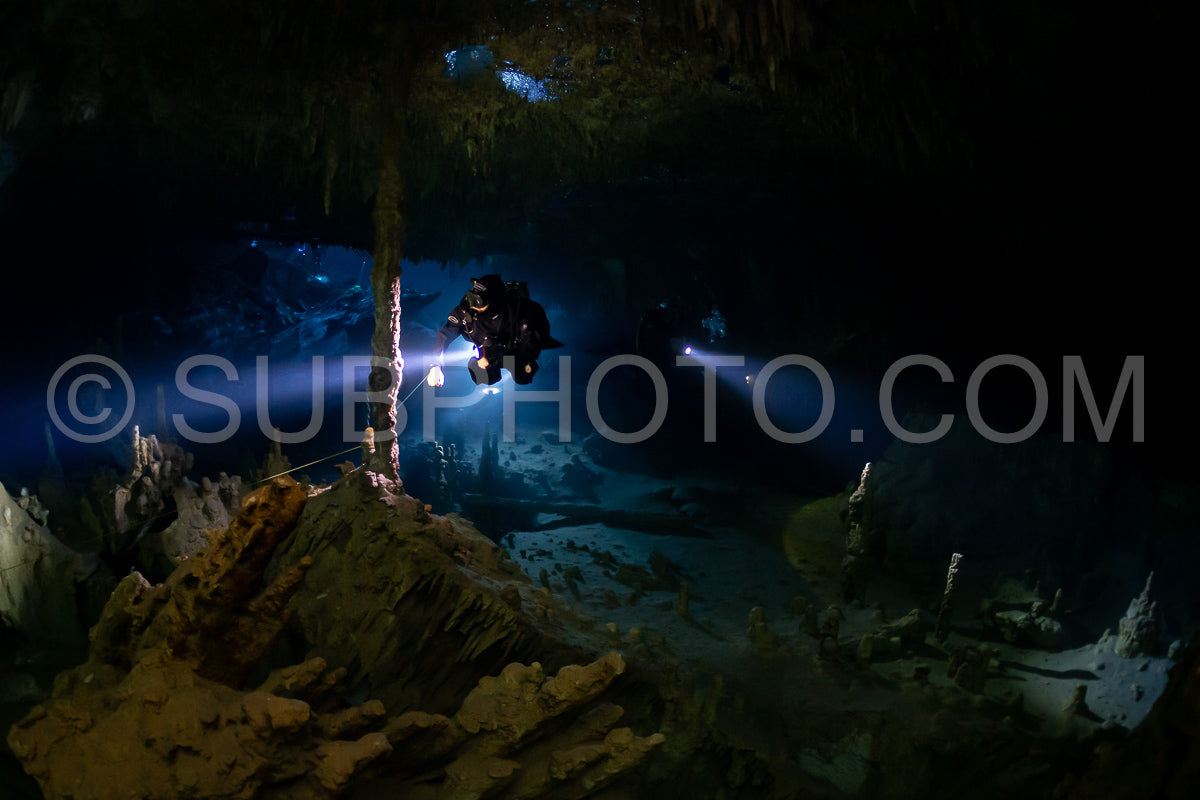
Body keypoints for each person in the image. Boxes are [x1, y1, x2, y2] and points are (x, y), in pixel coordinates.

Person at [427, 274, 562, 387]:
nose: (472, 304)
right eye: (471, 296)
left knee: (523, 377)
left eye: (478, 300)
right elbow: (445, 334)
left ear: (494, 302)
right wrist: (435, 365)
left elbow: (531, 346)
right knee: (481, 377)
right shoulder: (465, 311)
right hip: (487, 350)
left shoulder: (520, 314)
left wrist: (494, 359)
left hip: (514, 350)